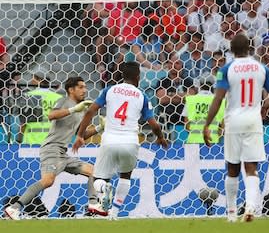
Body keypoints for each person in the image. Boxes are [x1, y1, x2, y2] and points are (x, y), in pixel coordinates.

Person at [72, 62, 168, 219]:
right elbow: (154, 124)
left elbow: (90, 111)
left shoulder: (109, 90)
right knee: (125, 177)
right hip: (130, 141)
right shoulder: (141, 96)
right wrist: (161, 137)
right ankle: (114, 213)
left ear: (122, 75)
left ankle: (104, 188)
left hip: (109, 140)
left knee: (97, 179)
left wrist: (80, 135)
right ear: (138, 76)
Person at [202, 33, 269, 222]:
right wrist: (265, 107)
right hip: (253, 120)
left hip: (233, 121)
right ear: (250, 48)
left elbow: (218, 98)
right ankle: (251, 208)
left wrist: (207, 125)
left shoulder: (226, 69)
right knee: (251, 167)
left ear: (231, 50)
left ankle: (230, 214)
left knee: (233, 168)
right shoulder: (262, 68)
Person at [5, 76, 103, 220]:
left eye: (85, 87)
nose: (84, 90)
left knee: (93, 171)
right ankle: (14, 208)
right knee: (47, 181)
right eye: (81, 87)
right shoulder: (64, 101)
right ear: (71, 89)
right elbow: (52, 115)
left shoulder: (81, 110)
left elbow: (81, 135)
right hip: (51, 149)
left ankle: (93, 205)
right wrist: (73, 109)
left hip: (62, 153)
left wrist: (100, 127)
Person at [20, 70, 63, 144]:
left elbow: (23, 123)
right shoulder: (59, 98)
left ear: (39, 80)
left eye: (33, 77)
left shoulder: (28, 96)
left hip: (31, 140)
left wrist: (18, 139)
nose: (31, 80)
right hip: (52, 141)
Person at [183, 75, 225, 144]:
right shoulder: (220, 101)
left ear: (199, 85)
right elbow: (223, 126)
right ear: (213, 86)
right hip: (213, 141)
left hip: (193, 141)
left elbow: (186, 125)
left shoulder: (190, 100)